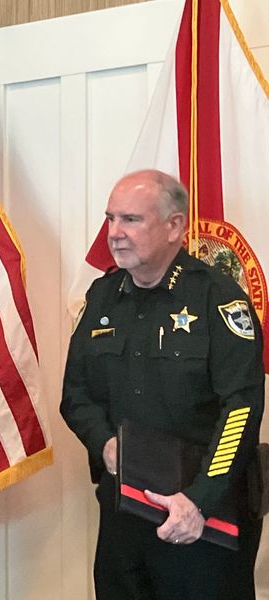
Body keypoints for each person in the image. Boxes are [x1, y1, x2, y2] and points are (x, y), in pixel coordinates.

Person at [61, 170, 265, 599]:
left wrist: (200, 501)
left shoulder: (218, 299)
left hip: (203, 519)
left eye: (131, 220)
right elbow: (76, 394)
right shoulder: (102, 297)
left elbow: (241, 408)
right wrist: (103, 443)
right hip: (124, 514)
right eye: (110, 219)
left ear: (175, 226)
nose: (114, 234)